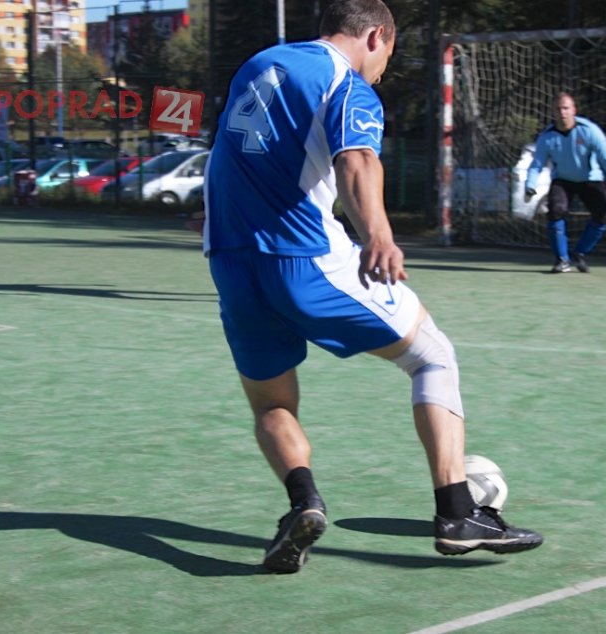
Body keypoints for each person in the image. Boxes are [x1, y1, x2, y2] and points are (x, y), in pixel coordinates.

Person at [203, 0, 543, 574]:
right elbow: (358, 160)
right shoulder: (346, 83)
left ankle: (304, 503)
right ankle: (458, 514)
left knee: (272, 404)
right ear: (376, 35)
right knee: (432, 354)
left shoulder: (261, 64)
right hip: (303, 259)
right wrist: (378, 235)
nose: (384, 68)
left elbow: (228, 152)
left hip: (231, 263)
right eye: (389, 52)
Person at [524, 91, 606, 273]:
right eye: (558, 109)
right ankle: (562, 260)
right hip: (562, 180)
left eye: (566, 108)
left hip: (590, 179)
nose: (562, 113)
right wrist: (530, 186)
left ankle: (579, 253)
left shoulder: (590, 131)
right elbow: (537, 164)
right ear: (553, 112)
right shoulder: (547, 136)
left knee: (603, 213)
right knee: (555, 211)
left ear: (574, 110)